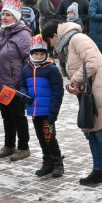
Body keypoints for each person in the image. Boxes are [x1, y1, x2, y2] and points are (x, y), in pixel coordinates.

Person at [41, 18, 102, 191]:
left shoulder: (77, 39)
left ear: (55, 35)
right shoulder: (68, 43)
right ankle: (99, 170)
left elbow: (92, 62)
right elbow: (76, 70)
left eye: (50, 41)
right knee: (91, 132)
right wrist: (73, 85)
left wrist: (75, 80)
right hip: (88, 93)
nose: (51, 46)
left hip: (99, 90)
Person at [0, 0, 33, 161]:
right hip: (0, 82)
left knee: (18, 116)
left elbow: (29, 59)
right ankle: (9, 144)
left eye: (9, 15)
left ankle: (23, 147)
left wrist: (23, 82)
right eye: (3, 14)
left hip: (14, 84)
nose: (4, 17)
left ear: (16, 17)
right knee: (6, 115)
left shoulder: (23, 34)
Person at [18, 35, 65, 178]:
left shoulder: (51, 69)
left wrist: (54, 111)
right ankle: (47, 162)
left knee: (49, 137)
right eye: (36, 54)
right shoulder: (26, 69)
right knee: (40, 137)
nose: (39, 56)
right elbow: (21, 86)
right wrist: (24, 95)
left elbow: (58, 91)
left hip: (47, 111)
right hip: (34, 110)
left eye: (42, 54)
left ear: (46, 54)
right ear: (31, 54)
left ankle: (57, 163)